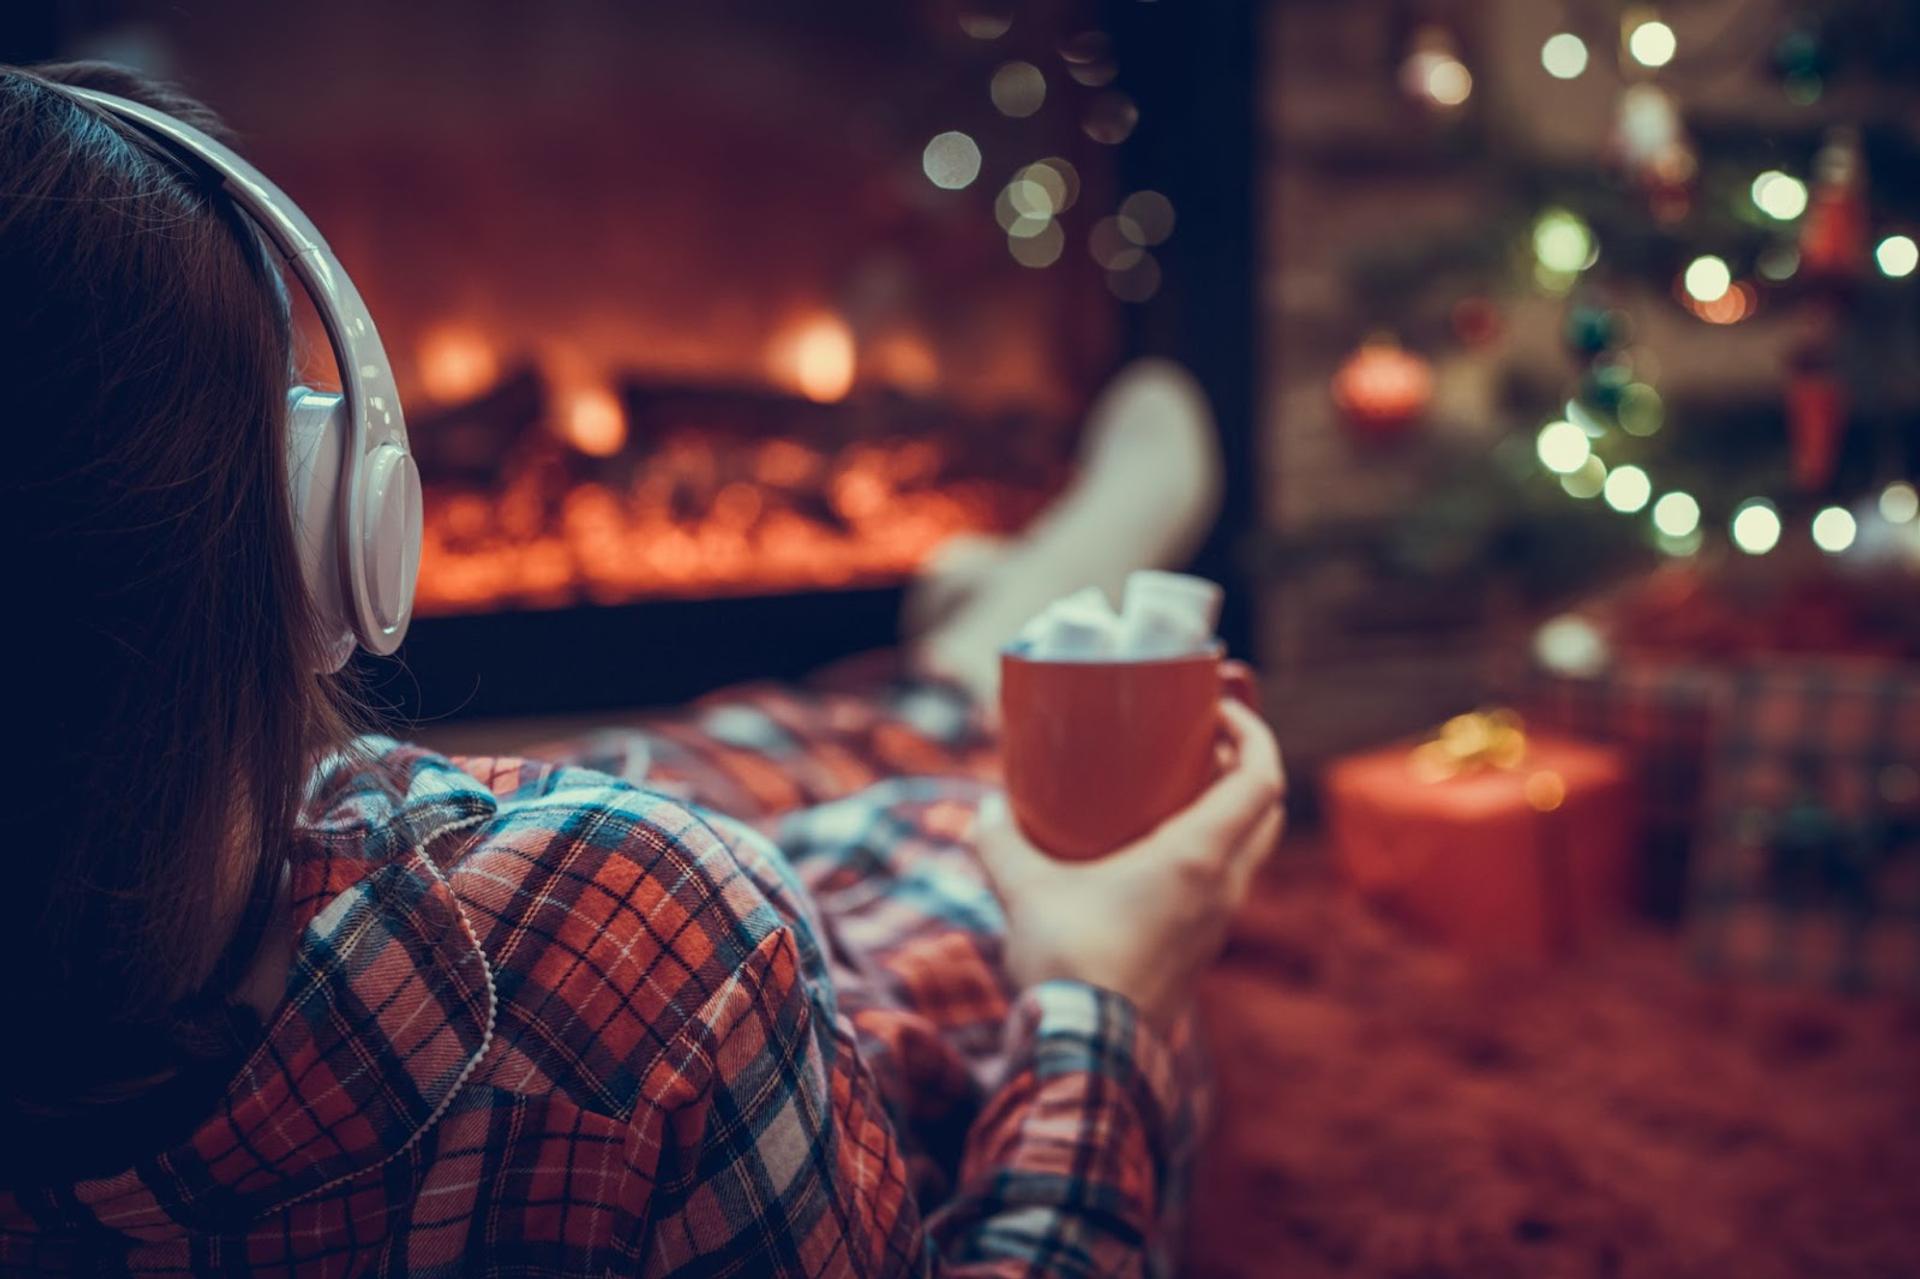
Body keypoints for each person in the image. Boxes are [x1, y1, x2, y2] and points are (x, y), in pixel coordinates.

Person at [0, 62, 1283, 1277]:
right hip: (631, 993)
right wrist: (1105, 990)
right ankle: (976, 662)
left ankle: (959, 660)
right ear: (319, 515)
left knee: (694, 763)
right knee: (957, 847)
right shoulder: (650, 935)